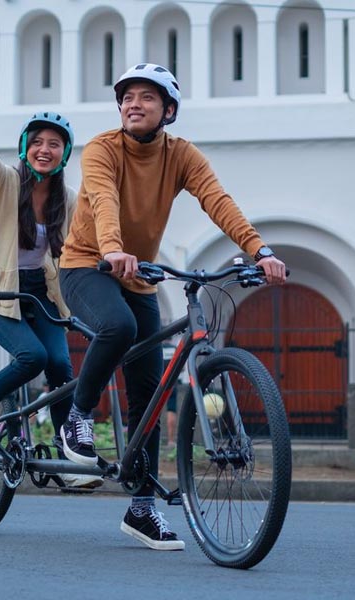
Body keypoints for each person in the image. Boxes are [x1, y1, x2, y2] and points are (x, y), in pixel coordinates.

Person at [57, 63, 287, 549]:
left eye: (146, 97)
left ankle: (141, 510)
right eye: (126, 97)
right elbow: (101, 199)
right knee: (116, 327)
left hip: (137, 274)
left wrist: (259, 250)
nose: (133, 104)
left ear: (169, 111)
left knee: (150, 393)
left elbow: (216, 199)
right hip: (87, 265)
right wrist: (114, 248)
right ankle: (77, 417)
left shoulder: (182, 155)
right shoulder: (103, 147)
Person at [0, 107, 101, 490]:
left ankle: (68, 460)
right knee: (32, 357)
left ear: (65, 153)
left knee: (62, 369)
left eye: (53, 144)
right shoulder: (7, 184)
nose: (43, 150)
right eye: (36, 143)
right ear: (24, 148)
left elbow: (88, 237)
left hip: (39, 291)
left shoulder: (67, 198)